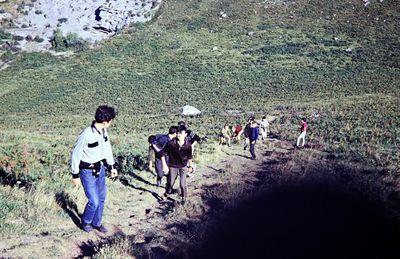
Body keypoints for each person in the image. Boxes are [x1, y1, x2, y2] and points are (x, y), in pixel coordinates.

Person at [70, 105, 118, 233]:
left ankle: (97, 223)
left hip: (100, 168)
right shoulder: (86, 134)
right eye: (110, 120)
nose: (111, 122)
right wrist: (75, 175)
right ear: (104, 122)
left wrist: (111, 166)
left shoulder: (103, 132)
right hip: (87, 171)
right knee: (94, 201)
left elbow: (107, 149)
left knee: (101, 198)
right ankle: (85, 222)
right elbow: (76, 154)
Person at [160, 125, 193, 205]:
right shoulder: (171, 143)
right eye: (178, 133)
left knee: (182, 183)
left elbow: (189, 156)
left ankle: (184, 198)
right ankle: (166, 194)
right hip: (173, 165)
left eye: (181, 133)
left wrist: (190, 166)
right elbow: (162, 154)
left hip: (183, 166)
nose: (179, 135)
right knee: (170, 182)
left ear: (185, 134)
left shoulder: (188, 145)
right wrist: (164, 165)